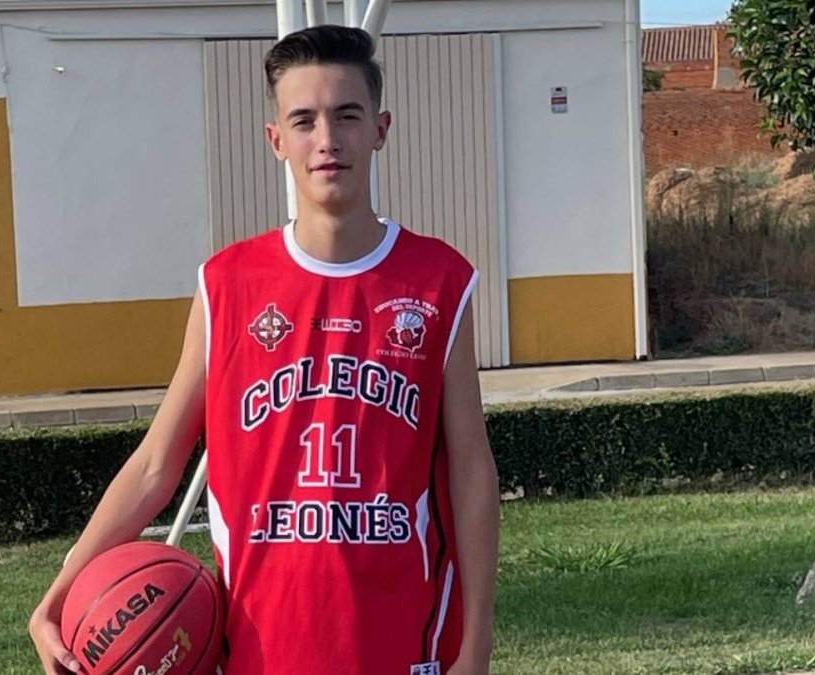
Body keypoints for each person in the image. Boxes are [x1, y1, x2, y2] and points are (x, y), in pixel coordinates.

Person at [29, 24, 499, 675]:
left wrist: (476, 642)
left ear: (381, 128)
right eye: (304, 120)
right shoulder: (227, 285)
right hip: (259, 650)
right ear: (276, 139)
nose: (327, 140)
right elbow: (155, 465)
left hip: (400, 646)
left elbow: (471, 472)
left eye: (348, 115)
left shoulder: (440, 281)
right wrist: (60, 592)